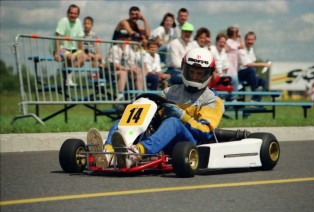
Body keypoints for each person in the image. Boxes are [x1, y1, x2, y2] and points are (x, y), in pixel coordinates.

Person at [87, 48, 225, 168]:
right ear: (184, 69)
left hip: (189, 143)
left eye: (199, 73)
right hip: (161, 137)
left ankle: (136, 153)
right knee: (121, 123)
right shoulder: (170, 91)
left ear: (208, 73)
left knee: (173, 122)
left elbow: (205, 131)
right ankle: (108, 153)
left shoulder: (212, 99)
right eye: (192, 72)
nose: (195, 76)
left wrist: (182, 116)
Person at [53, 4, 87, 86]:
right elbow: (58, 38)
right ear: (67, 13)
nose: (73, 15)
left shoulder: (78, 22)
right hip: (61, 48)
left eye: (75, 13)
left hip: (73, 49)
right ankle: (68, 79)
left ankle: (66, 73)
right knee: (71, 57)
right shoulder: (63, 21)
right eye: (71, 13)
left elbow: (80, 40)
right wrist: (57, 52)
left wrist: (81, 51)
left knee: (83, 58)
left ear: (78, 15)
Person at [108, 30, 144, 100]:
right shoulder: (114, 48)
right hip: (113, 72)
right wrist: (129, 70)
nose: (123, 40)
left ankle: (140, 95)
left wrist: (135, 69)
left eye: (125, 38)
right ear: (118, 39)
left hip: (128, 72)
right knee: (123, 73)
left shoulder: (129, 48)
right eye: (121, 38)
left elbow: (132, 63)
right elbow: (116, 66)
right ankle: (120, 96)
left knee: (139, 73)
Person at [238, 31, 271, 102]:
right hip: (240, 74)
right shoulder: (242, 49)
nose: (250, 41)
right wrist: (263, 64)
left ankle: (255, 100)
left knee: (263, 82)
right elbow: (247, 64)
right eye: (248, 39)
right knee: (251, 70)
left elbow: (252, 62)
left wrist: (255, 74)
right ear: (245, 40)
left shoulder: (251, 50)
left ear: (254, 40)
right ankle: (255, 92)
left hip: (250, 74)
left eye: (252, 40)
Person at [225, 26, 244, 100]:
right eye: (233, 32)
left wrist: (241, 37)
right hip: (228, 63)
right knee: (229, 80)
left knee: (235, 80)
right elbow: (227, 48)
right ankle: (229, 97)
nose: (235, 34)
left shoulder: (236, 42)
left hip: (234, 65)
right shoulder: (228, 41)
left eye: (236, 32)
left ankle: (233, 98)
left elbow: (242, 46)